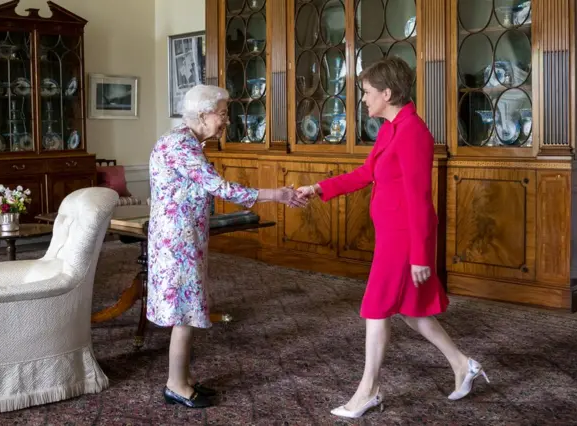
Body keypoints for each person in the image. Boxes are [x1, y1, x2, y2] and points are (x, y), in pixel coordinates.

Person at [296, 57, 489, 419]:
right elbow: (367, 172)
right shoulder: (389, 128)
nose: (364, 100)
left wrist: (420, 256)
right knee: (413, 311)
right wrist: (319, 187)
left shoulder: (414, 131)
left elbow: (419, 198)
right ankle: (464, 364)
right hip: (391, 236)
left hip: (405, 240)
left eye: (367, 93)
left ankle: (367, 390)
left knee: (376, 307)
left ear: (387, 93)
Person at [148, 84, 307, 409]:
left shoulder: (186, 140)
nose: (225, 121)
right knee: (184, 312)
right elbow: (219, 187)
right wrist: (274, 195)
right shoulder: (181, 146)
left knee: (189, 307)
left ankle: (183, 378)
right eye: (222, 114)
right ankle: (176, 385)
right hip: (177, 242)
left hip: (183, 238)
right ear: (203, 114)